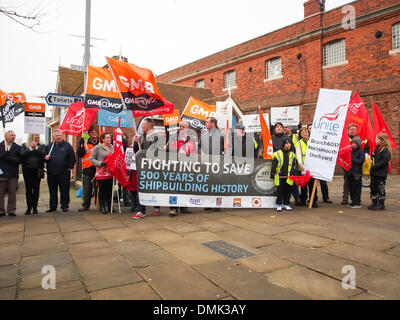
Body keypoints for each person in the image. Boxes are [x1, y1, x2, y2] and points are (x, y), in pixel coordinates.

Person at [132, 118, 162, 219]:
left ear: (149, 125)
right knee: (141, 186)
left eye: (143, 125)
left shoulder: (157, 137)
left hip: (153, 166)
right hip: (143, 167)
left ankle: (157, 206)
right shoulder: (141, 137)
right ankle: (141, 210)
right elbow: (136, 151)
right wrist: (136, 143)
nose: (142, 127)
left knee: (155, 186)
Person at [166, 120, 197, 216]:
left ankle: (184, 206)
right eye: (180, 126)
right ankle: (173, 208)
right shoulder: (174, 136)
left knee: (185, 187)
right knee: (174, 187)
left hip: (186, 167)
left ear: (187, 128)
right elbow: (169, 149)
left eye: (183, 127)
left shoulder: (191, 138)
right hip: (175, 166)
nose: (180, 128)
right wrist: (178, 150)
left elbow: (194, 151)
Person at [45, 129, 76, 213]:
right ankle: (53, 206)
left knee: (64, 190)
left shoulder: (67, 146)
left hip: (64, 172)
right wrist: (45, 158)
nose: (58, 137)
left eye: (60, 135)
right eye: (56, 135)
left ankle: (64, 205)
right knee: (52, 190)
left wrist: (69, 167)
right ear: (53, 137)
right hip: (51, 173)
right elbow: (43, 158)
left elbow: (72, 157)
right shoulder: (49, 146)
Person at [200, 117, 225, 211]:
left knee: (217, 183)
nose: (205, 123)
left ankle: (217, 204)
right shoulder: (204, 134)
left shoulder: (221, 134)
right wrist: (201, 151)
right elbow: (200, 146)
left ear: (213, 123)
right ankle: (208, 203)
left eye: (207, 122)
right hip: (206, 162)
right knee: (207, 182)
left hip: (217, 162)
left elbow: (227, 148)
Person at [20, 134, 46, 215]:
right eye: (35, 135)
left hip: (37, 170)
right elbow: (22, 155)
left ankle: (35, 207)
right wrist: (31, 148)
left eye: (38, 135)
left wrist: (36, 148)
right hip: (27, 170)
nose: (37, 137)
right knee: (28, 189)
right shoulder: (24, 145)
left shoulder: (42, 146)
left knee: (36, 189)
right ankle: (29, 207)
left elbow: (43, 155)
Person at [307, 123, 332, 204]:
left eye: (312, 128)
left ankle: (326, 197)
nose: (311, 130)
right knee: (312, 182)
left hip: (320, 163)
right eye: (309, 128)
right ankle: (314, 197)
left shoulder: (319, 138)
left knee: (323, 181)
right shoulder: (307, 140)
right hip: (311, 164)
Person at [90, 133, 114, 214]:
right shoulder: (98, 147)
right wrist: (99, 163)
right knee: (102, 190)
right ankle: (102, 206)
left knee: (110, 190)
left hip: (111, 172)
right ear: (103, 139)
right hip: (101, 172)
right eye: (107, 138)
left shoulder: (112, 147)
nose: (109, 139)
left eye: (110, 137)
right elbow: (91, 158)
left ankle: (110, 205)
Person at [76, 126, 99, 212]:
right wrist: (80, 146)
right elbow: (80, 154)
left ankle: (99, 204)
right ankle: (85, 206)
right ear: (89, 134)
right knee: (87, 189)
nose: (94, 134)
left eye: (95, 132)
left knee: (98, 189)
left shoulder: (100, 143)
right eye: (92, 132)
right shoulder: (85, 143)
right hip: (87, 169)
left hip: (98, 169)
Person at [270, 138, 296, 212]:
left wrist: (293, 173)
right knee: (280, 191)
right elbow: (274, 165)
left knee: (288, 191)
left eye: (289, 143)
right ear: (284, 144)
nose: (288, 145)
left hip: (288, 176)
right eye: (286, 143)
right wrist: (272, 174)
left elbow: (293, 166)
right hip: (280, 176)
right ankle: (279, 204)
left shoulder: (292, 154)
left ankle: (287, 204)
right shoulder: (277, 153)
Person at [0, 130, 21, 217]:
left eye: (14, 135)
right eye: (12, 135)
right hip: (2, 173)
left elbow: (19, 160)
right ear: (6, 136)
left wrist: (10, 158)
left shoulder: (17, 147)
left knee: (12, 193)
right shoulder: (0, 146)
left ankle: (11, 210)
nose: (14, 136)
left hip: (13, 174)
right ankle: (1, 210)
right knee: (0, 193)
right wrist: (3, 155)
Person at [368, 133, 392, 211]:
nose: (375, 140)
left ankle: (381, 204)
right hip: (375, 173)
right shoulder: (377, 148)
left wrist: (375, 166)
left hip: (381, 173)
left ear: (382, 140)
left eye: (377, 139)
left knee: (380, 188)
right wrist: (373, 156)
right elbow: (377, 158)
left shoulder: (385, 150)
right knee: (373, 187)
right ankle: (374, 202)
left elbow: (384, 161)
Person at [294, 127, 311, 206]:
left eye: (306, 132)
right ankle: (303, 200)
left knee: (312, 184)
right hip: (303, 167)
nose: (304, 133)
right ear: (300, 134)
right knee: (303, 185)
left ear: (308, 132)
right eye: (302, 132)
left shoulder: (313, 141)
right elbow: (298, 155)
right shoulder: (298, 143)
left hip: (312, 166)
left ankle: (313, 200)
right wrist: (300, 164)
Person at [347, 136, 365, 208]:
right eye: (352, 143)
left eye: (354, 143)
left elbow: (361, 161)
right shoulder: (350, 151)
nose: (352, 145)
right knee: (351, 187)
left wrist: (351, 160)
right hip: (350, 172)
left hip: (357, 173)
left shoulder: (361, 152)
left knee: (356, 188)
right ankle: (353, 201)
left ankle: (357, 202)